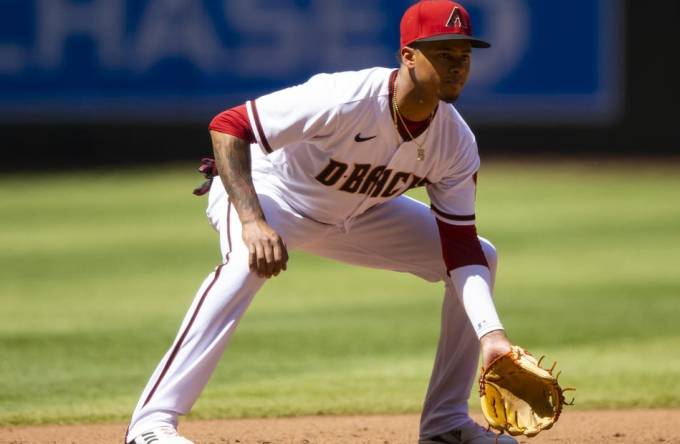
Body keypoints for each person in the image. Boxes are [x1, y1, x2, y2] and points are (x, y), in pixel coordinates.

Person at [126, 1, 517, 443]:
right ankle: (151, 425)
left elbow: (460, 247)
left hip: (363, 212)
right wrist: (252, 221)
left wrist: (493, 336)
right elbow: (228, 125)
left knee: (483, 255)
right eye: (445, 53)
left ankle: (445, 424)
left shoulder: (456, 142)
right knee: (244, 265)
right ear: (408, 55)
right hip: (274, 195)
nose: (458, 65)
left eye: (464, 55)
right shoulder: (346, 98)